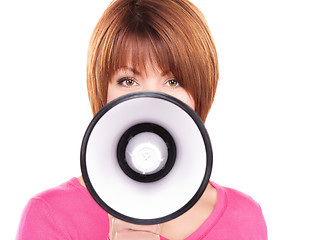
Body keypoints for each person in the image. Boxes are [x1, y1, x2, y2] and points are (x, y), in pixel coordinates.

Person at [16, 0, 267, 239]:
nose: (151, 101)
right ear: (102, 91)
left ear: (200, 92)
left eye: (173, 81)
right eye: (128, 80)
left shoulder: (243, 218)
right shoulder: (51, 215)